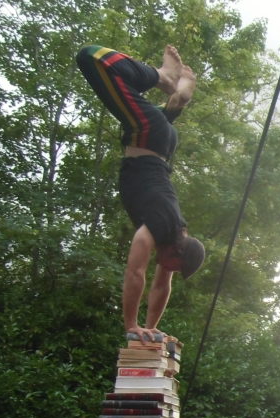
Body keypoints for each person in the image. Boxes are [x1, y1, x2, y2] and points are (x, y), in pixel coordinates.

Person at [76, 45, 205, 342]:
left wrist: (150, 328)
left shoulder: (175, 232)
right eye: (175, 267)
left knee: (163, 116)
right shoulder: (158, 228)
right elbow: (136, 272)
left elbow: (162, 287)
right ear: (179, 252)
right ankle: (163, 78)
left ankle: (177, 102)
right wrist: (131, 325)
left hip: (163, 142)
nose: (169, 270)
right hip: (147, 135)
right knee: (91, 58)